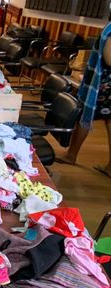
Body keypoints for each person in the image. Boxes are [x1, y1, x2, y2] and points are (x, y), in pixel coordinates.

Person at [56, 16, 111, 179]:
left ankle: (71, 155)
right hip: (105, 82)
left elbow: (109, 59)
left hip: (105, 84)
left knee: (84, 116)